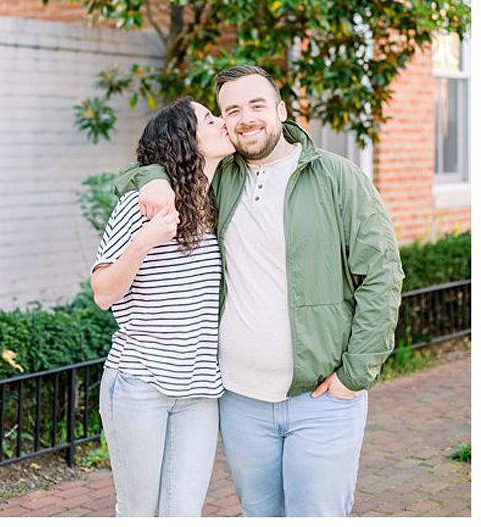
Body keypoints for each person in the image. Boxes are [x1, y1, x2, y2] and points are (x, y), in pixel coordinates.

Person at [122, 63, 401, 519]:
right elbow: (145, 170)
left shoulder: (338, 177)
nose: (246, 117)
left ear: (281, 110)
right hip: (239, 401)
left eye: (256, 105)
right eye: (232, 109)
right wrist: (150, 176)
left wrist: (356, 375)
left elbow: (383, 277)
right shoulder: (219, 177)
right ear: (224, 122)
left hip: (320, 400)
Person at [89, 101, 230, 516]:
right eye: (209, 119)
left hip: (200, 390)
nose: (221, 122)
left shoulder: (217, 202)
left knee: (183, 515)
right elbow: (102, 292)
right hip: (139, 384)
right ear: (186, 142)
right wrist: (144, 242)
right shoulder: (142, 206)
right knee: (138, 513)